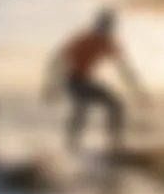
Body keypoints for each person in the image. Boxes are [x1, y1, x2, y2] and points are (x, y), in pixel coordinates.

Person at [43, 9, 148, 153]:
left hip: (86, 80)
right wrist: (51, 84)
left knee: (115, 104)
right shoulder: (83, 39)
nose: (105, 31)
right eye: (103, 27)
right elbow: (56, 58)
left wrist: (138, 90)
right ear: (97, 25)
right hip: (73, 79)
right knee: (82, 107)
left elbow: (124, 68)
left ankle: (114, 143)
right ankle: (72, 145)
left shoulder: (108, 43)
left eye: (109, 27)